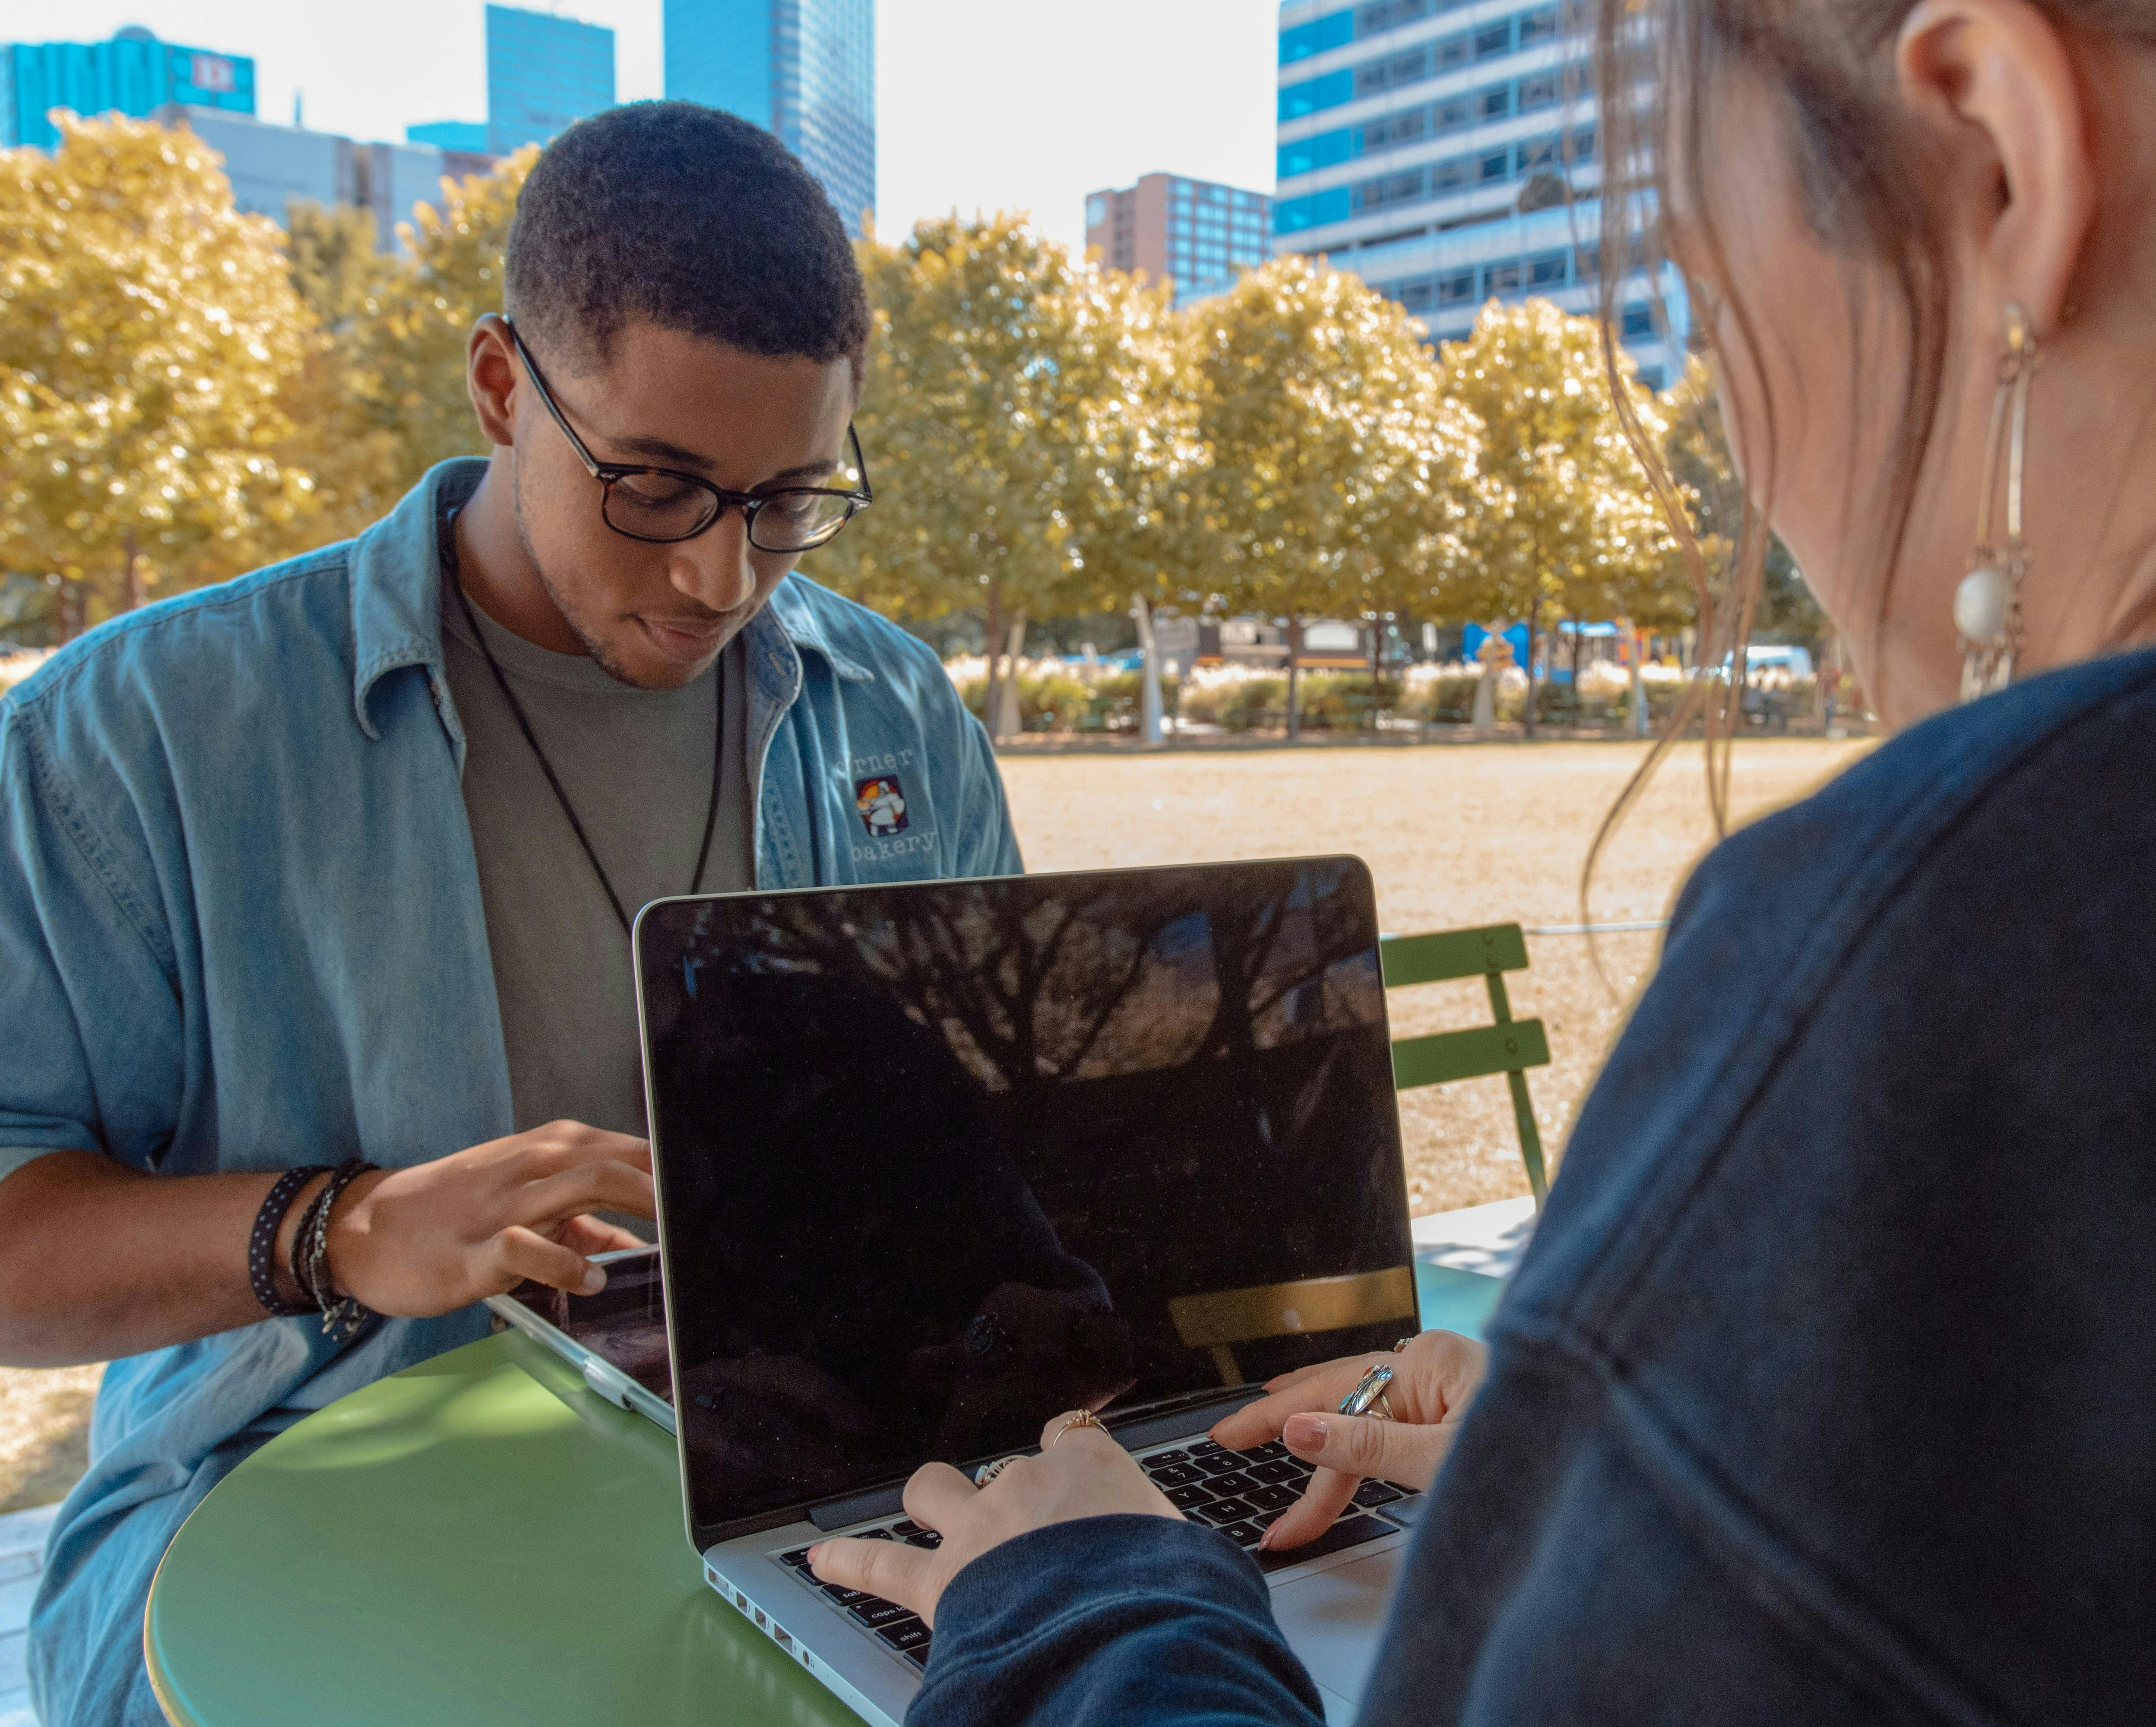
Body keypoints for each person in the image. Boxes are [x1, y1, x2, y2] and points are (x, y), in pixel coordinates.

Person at [808, 3, 2156, 1721]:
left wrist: (1082, 1598)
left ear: (1997, 151)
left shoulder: (1947, 949)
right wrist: (1618, 1466)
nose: (1735, 454)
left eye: (1692, 289)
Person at [0, 103, 1018, 1725]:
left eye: (788, 501)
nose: (721, 581)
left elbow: (991, 1136)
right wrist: (341, 1230)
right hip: (281, 1521)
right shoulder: (141, 734)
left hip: (828, 1485)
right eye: (658, 487)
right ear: (499, 387)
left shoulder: (894, 711)